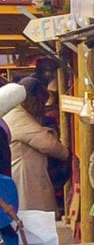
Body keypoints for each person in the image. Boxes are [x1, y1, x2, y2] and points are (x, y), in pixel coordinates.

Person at [3, 76, 66, 213]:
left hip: (21, 170)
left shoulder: (15, 112)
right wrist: (67, 153)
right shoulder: (18, 116)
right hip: (24, 175)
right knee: (31, 216)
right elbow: (47, 144)